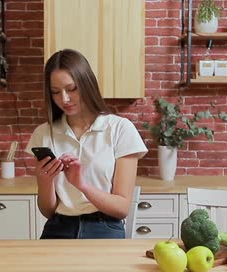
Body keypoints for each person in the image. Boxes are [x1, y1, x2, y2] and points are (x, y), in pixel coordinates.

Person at [25, 49, 148, 239]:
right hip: (58, 228)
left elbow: (122, 208)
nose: (64, 99)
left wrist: (81, 184)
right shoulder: (44, 133)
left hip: (105, 227)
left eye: (71, 89)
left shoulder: (120, 129)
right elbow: (48, 211)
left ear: (87, 83)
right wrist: (45, 180)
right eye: (55, 92)